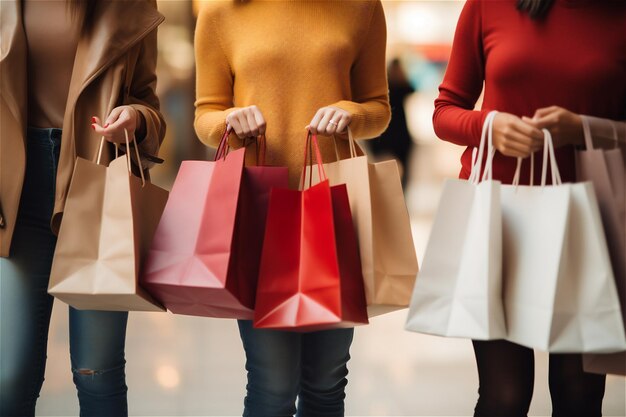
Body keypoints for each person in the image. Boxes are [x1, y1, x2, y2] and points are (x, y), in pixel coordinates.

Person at [194, 0, 390, 415]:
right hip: (258, 211)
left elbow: (379, 109)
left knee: (326, 383)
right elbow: (205, 114)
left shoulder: (362, 7)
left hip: (332, 209)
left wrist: (351, 112)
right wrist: (229, 120)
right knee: (273, 385)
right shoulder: (220, 12)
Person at [433, 0, 626, 416]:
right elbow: (445, 110)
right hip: (499, 218)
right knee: (505, 397)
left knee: (579, 396)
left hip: (589, 222)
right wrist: (489, 126)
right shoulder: (487, 5)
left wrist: (584, 129)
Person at [0, 1, 165, 416]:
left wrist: (136, 118)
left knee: (98, 372)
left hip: (97, 184)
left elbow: (149, 105)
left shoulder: (130, 5)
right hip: (17, 191)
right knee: (10, 374)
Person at [369, 58, 416, 188]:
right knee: (401, 173)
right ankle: (399, 197)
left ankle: (390, 198)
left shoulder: (386, 88)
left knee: (385, 172)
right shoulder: (402, 86)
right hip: (399, 136)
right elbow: (412, 88)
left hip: (385, 135)